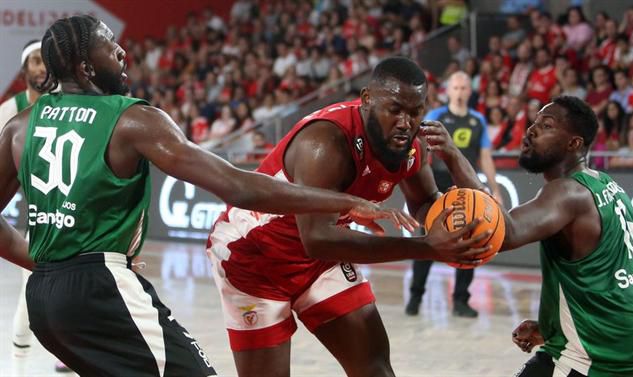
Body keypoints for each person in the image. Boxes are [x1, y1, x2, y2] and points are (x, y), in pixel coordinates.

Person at [0, 16, 416, 376]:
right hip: (102, 287)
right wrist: (342, 201)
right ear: (87, 66)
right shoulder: (131, 118)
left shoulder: (21, 125)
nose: (123, 52)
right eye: (111, 46)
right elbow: (237, 185)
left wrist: (42, 260)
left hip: (44, 298)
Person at [206, 56, 490, 377]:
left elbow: (426, 203)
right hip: (253, 257)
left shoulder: (413, 145)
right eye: (394, 109)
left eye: (415, 112)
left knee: (375, 369)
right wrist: (427, 247)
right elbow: (318, 240)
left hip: (319, 259)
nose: (405, 123)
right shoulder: (325, 142)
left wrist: (454, 214)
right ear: (367, 99)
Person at [424, 95, 633, 376]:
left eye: (546, 125)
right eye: (534, 122)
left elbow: (502, 232)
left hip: (603, 352)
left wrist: (453, 155)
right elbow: (605, 276)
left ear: (574, 144)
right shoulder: (605, 184)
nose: (531, 129)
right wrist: (551, 327)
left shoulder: (567, 193)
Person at [0, 39, 72, 374]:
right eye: (34, 61)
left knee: (75, 287)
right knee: (33, 287)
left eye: (46, 61)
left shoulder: (67, 105)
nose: (41, 67)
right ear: (24, 68)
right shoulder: (8, 112)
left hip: (70, 206)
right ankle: (17, 367)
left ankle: (71, 352)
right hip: (37, 211)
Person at [406, 71, 502, 318]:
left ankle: (461, 300)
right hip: (437, 183)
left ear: (470, 91)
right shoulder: (436, 116)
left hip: (467, 183)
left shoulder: (478, 120)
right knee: (428, 241)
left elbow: (485, 157)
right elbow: (422, 153)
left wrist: (495, 188)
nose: (459, 92)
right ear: (448, 91)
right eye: (456, 87)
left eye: (464, 88)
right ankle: (415, 297)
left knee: (472, 240)